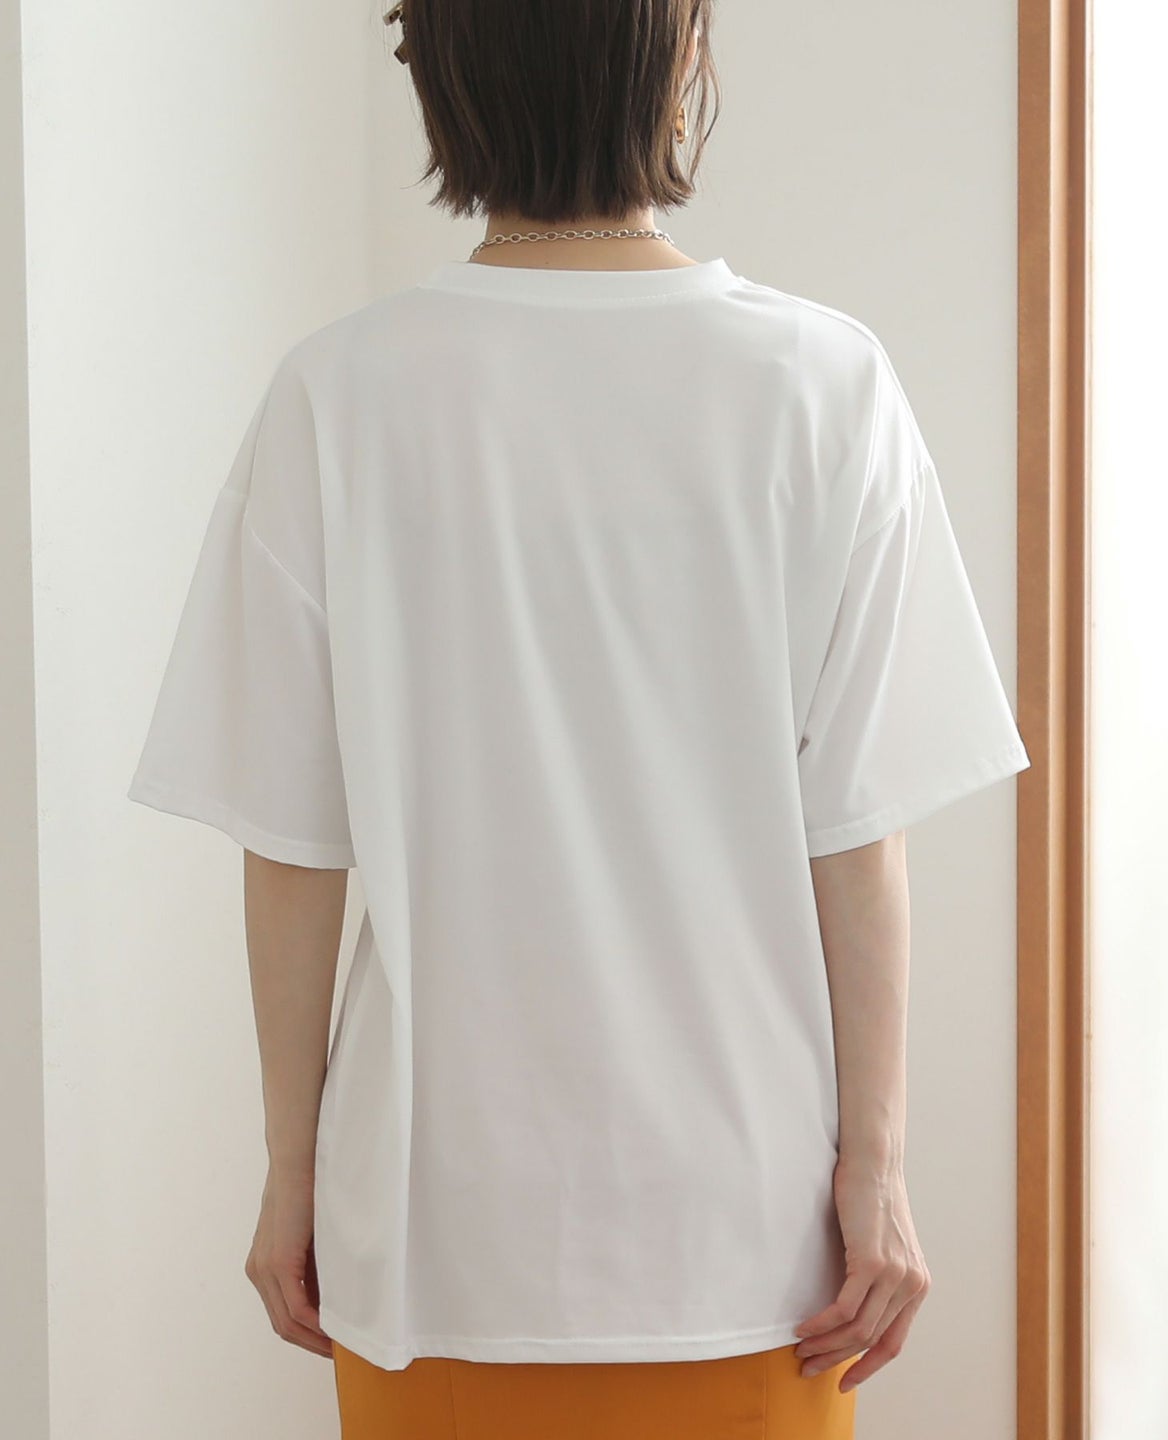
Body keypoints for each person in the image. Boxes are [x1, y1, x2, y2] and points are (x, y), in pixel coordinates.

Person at [126, 2, 1032, 1436]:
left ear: (439, 75)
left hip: (434, 1231)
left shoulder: (339, 394)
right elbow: (855, 834)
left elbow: (295, 843)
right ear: (681, 62)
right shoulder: (824, 384)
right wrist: (877, 1168)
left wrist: (294, 1171)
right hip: (747, 1232)